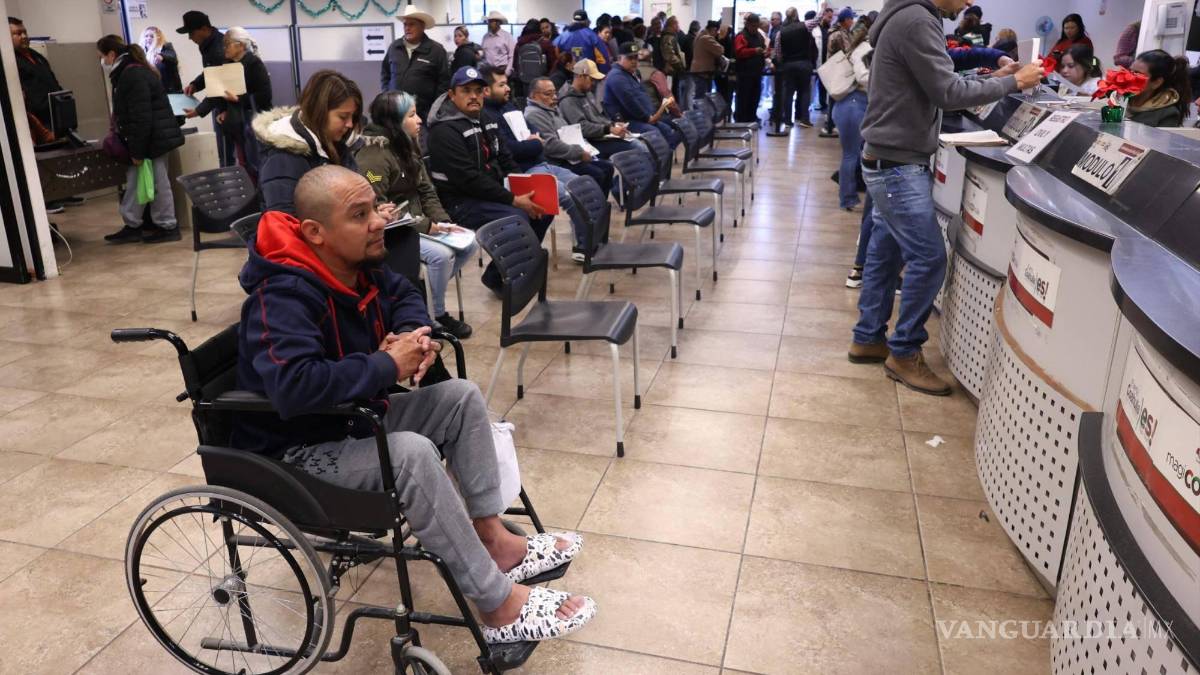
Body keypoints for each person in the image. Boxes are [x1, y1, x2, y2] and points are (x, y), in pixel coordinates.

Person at [232, 165, 595, 644]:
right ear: (315, 233)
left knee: (460, 398)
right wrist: (386, 365)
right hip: (296, 449)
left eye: (374, 209)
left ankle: (493, 539)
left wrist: (411, 334)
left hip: (349, 420)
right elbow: (293, 386)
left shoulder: (352, 265)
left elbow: (404, 292)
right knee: (410, 454)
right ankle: (497, 605)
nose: (378, 223)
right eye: (359, 215)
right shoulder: (282, 296)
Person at [851, 0, 1043, 396]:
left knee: (885, 252)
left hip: (889, 158)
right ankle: (904, 352)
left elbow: (932, 78)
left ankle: (868, 337)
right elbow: (947, 92)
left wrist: (993, 76)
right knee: (928, 258)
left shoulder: (909, 15)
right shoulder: (917, 19)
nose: (969, 2)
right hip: (898, 164)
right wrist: (1014, 82)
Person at [355, 91, 476, 339]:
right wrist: (426, 225)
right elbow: (377, 204)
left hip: (417, 223)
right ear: (394, 121)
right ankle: (435, 315)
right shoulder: (374, 157)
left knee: (468, 244)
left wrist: (442, 221)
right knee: (442, 256)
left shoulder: (407, 144)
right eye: (411, 115)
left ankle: (424, 296)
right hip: (396, 232)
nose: (419, 120)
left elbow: (426, 189)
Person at [427, 66, 554, 293]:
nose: (473, 96)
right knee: (517, 217)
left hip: (488, 192)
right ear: (452, 95)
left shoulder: (484, 117)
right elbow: (468, 179)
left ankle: (505, 272)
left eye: (478, 90)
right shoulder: (443, 131)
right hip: (460, 201)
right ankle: (501, 279)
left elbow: (505, 157)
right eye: (466, 91)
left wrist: (524, 187)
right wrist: (513, 199)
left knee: (542, 208)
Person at [481, 65, 595, 260]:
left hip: (541, 164)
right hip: (525, 171)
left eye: (507, 84)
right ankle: (583, 249)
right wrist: (534, 144)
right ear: (486, 90)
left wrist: (532, 142)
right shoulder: (487, 116)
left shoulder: (509, 106)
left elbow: (535, 132)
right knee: (567, 196)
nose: (508, 88)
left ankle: (586, 242)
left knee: (582, 185)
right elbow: (510, 150)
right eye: (501, 85)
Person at [96, 35, 185, 244]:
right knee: (141, 182)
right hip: (153, 137)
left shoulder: (131, 74)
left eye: (102, 56)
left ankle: (166, 225)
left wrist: (137, 151)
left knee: (157, 183)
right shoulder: (133, 70)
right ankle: (135, 224)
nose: (102, 61)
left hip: (152, 139)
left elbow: (141, 116)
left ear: (111, 54)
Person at [255, 70, 366, 216]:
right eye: (343, 117)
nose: (350, 124)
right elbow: (285, 220)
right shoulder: (282, 158)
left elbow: (362, 189)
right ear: (319, 112)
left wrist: (371, 211)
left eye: (353, 117)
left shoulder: (337, 143)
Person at [188, 27, 272, 182]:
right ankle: (250, 193)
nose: (224, 48)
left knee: (256, 162)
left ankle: (260, 193)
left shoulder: (254, 64)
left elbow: (264, 97)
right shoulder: (227, 64)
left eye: (227, 44)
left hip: (254, 122)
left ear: (240, 45)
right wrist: (201, 111)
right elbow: (218, 91)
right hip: (237, 122)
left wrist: (239, 99)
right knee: (244, 162)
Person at [525, 77, 615, 196]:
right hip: (557, 161)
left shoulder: (551, 108)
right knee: (597, 174)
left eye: (554, 93)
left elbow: (569, 132)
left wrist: (584, 148)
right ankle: (592, 205)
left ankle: (600, 204)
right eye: (548, 94)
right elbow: (550, 145)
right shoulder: (534, 114)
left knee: (607, 167)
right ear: (534, 96)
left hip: (570, 155)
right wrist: (579, 153)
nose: (554, 97)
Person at [177, 11, 231, 165]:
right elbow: (210, 72)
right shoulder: (208, 45)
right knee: (225, 153)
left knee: (230, 154)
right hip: (221, 105)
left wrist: (199, 110)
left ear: (204, 29)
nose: (190, 38)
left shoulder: (219, 48)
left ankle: (234, 179)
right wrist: (195, 84)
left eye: (191, 33)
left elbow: (220, 84)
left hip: (230, 107)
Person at [603, 41, 681, 148]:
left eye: (636, 57)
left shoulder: (630, 73)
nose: (634, 61)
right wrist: (647, 118)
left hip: (640, 118)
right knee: (654, 133)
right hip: (625, 122)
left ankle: (664, 156)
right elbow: (630, 102)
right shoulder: (617, 77)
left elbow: (641, 96)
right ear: (619, 58)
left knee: (668, 130)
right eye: (630, 58)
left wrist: (650, 116)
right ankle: (657, 157)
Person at [380, 6, 450, 121]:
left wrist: (434, 109)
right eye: (405, 25)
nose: (407, 28)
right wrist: (386, 95)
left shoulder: (436, 50)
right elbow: (385, 74)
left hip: (424, 115)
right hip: (395, 113)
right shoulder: (394, 47)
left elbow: (444, 83)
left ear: (422, 26)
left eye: (412, 24)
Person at [558, 59, 634, 159]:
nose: (594, 83)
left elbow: (597, 117)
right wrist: (608, 129)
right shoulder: (567, 100)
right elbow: (582, 128)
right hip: (590, 143)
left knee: (638, 142)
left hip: (601, 137)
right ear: (581, 76)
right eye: (592, 79)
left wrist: (613, 124)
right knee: (635, 147)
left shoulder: (587, 93)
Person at [833, 18, 870, 213]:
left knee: (852, 154)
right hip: (854, 105)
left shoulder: (859, 48)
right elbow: (863, 77)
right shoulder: (865, 49)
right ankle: (847, 198)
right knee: (851, 155)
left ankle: (848, 196)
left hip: (850, 105)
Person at [9, 16, 61, 144]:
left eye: (25, 32)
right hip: (37, 124)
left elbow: (53, 82)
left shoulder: (37, 56)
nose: (24, 36)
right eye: (18, 33)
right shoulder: (10, 61)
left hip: (56, 116)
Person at [772, 8, 817, 132]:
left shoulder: (781, 32)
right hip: (804, 63)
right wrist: (823, 9)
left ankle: (787, 121)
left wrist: (782, 62)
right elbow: (817, 21)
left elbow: (778, 51)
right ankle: (804, 119)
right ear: (797, 15)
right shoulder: (805, 26)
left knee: (788, 93)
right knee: (805, 91)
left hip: (788, 65)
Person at [1128, 49, 1192, 128]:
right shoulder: (1118, 99)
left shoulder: (1167, 114)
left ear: (1156, 83)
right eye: (1130, 71)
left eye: (1137, 74)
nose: (1128, 77)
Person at [733, 13, 767, 124]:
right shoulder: (741, 36)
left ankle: (752, 117)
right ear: (747, 24)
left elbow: (764, 47)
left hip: (757, 73)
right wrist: (754, 51)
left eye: (757, 26)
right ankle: (741, 120)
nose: (755, 28)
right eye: (753, 26)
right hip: (744, 73)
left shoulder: (759, 36)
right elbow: (739, 52)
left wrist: (765, 52)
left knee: (755, 96)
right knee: (744, 98)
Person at [555, 9, 611, 74]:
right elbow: (603, 59)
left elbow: (558, 55)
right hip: (588, 74)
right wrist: (603, 74)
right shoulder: (592, 37)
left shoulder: (563, 37)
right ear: (587, 22)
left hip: (569, 74)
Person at [690, 20, 725, 102]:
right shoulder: (707, 38)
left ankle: (698, 110)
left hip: (698, 70)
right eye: (717, 31)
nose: (717, 34)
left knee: (699, 96)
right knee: (701, 98)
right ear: (713, 29)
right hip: (703, 72)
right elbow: (720, 50)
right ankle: (699, 110)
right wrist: (722, 38)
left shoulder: (699, 35)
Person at [139, 27, 182, 93]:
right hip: (153, 89)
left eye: (152, 36)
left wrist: (162, 57)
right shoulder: (143, 53)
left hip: (169, 89)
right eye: (146, 36)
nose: (148, 38)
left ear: (158, 38)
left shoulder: (166, 46)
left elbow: (173, 58)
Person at [659, 16, 686, 101]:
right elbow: (669, 55)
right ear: (672, 25)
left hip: (674, 70)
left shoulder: (671, 36)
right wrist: (680, 64)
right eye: (677, 24)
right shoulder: (668, 37)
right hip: (671, 70)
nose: (678, 26)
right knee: (672, 94)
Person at [482, 11, 515, 77]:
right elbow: (484, 54)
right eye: (489, 21)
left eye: (492, 21)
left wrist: (507, 72)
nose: (489, 24)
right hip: (489, 71)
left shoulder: (507, 36)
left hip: (502, 70)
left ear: (498, 23)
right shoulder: (485, 37)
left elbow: (511, 56)